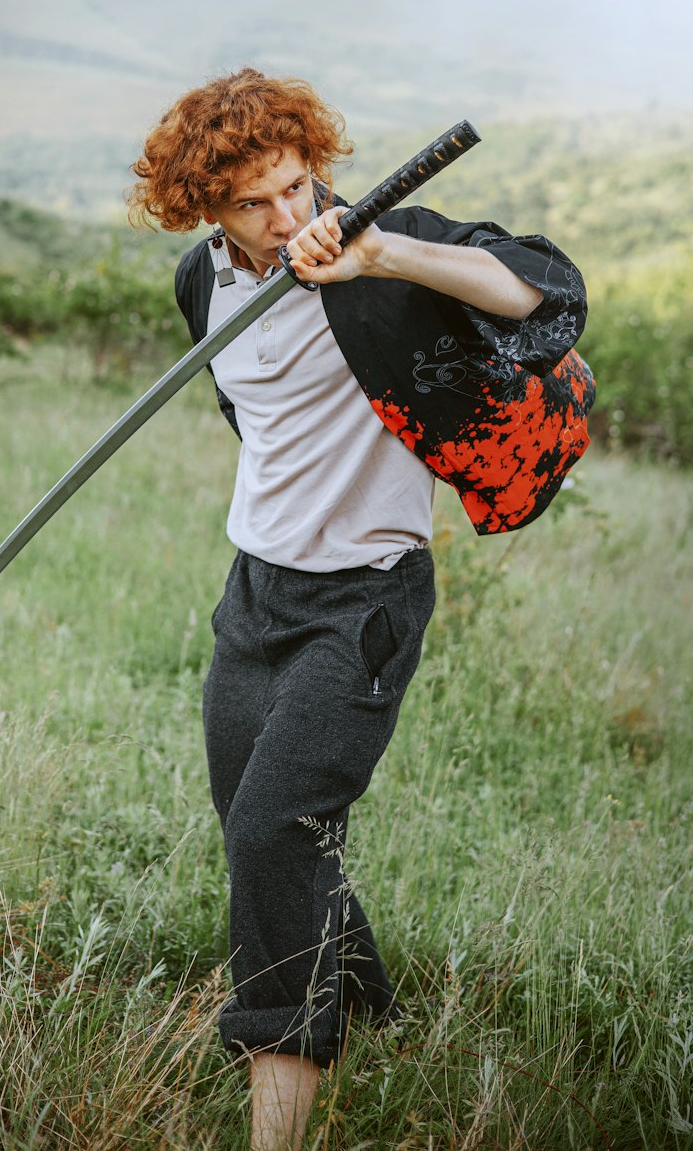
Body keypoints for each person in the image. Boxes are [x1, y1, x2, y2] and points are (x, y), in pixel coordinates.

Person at [129, 68, 591, 1151]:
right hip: (253, 595)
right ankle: (377, 1013)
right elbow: (261, 426)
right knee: (258, 829)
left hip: (365, 601)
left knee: (273, 826)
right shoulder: (203, 285)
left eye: (296, 185)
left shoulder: (381, 251)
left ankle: (276, 1119)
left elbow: (544, 293)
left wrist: (381, 252)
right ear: (207, 212)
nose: (286, 217)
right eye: (253, 203)